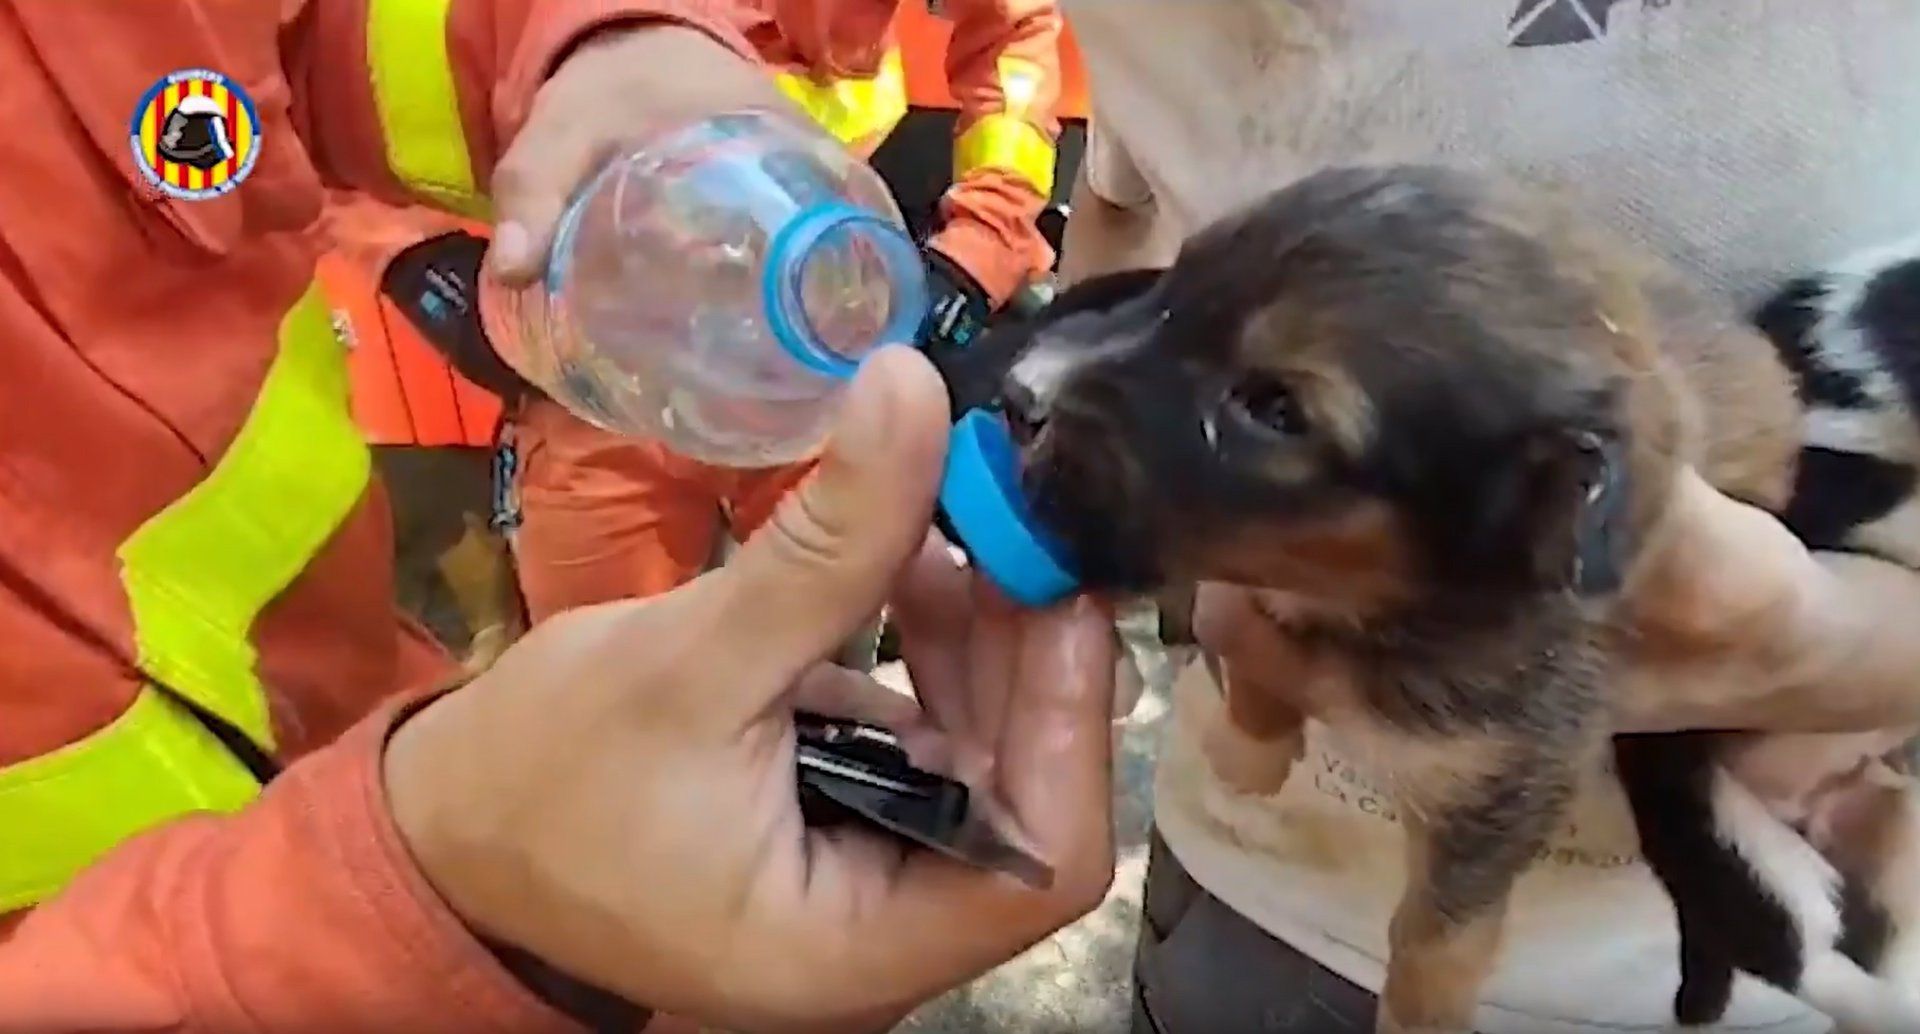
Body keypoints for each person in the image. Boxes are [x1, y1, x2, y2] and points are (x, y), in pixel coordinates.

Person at [0, 5, 1118, 1028]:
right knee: (622, 686)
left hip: (781, 343)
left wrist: (595, 40)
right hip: (601, 393)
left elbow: (270, 55)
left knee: (792, 686)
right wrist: (432, 888)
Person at [1049, 3, 1920, 1031]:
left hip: (1772, 924)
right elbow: (1117, 211)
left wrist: (1823, 643)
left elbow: (1515, 758)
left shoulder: (1557, 514)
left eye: (1277, 406)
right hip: (1259, 893)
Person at [504, 0, 1068, 623]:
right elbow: (429, 100)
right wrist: (450, 269)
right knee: (597, 651)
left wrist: (981, 241)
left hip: (813, 331)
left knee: (838, 627)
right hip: (612, 352)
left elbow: (1014, 28)